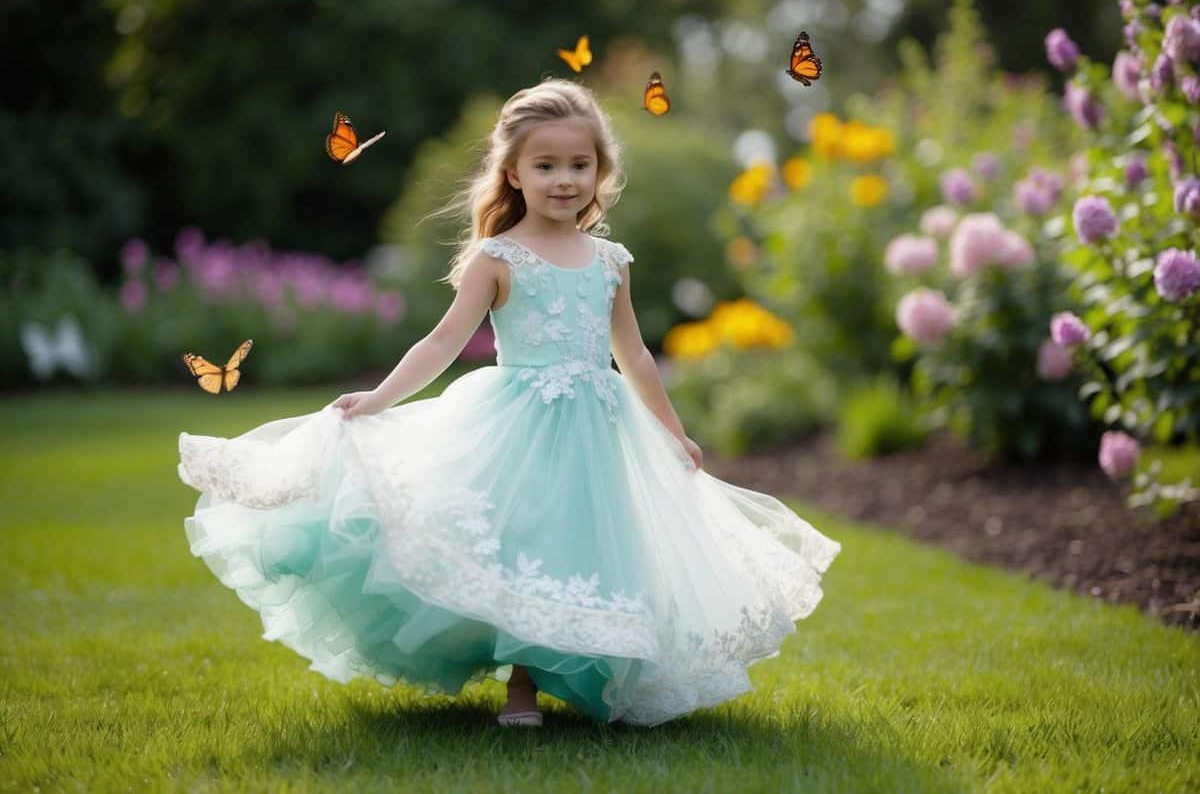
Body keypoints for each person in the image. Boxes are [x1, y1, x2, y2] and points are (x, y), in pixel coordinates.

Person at [178, 78, 840, 729]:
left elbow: (633, 354)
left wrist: (673, 432)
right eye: (545, 165)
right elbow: (442, 340)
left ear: (600, 171)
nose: (564, 180)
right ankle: (519, 683)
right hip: (517, 425)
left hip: (599, 430)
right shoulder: (498, 258)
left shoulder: (611, 260)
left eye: (579, 165)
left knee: (587, 548)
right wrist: (380, 397)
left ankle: (593, 670)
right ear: (515, 173)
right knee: (522, 541)